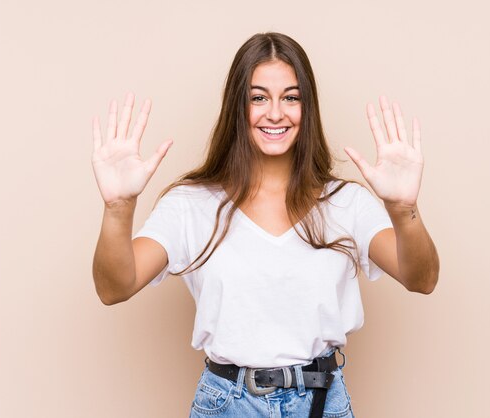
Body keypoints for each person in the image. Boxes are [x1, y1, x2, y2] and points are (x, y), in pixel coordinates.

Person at [91, 32, 439, 418]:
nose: (276, 113)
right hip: (227, 405)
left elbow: (421, 278)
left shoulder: (345, 201)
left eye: (291, 97)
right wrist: (119, 207)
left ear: (307, 108)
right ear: (237, 108)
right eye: (258, 98)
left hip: (322, 404)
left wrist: (403, 208)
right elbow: (114, 287)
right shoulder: (191, 204)